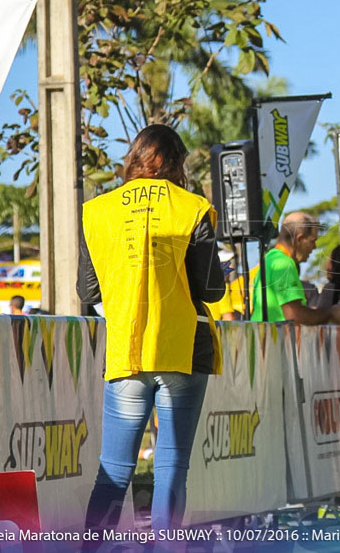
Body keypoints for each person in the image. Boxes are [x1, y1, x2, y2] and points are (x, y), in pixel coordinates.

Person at [77, 124, 225, 532]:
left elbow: (86, 290)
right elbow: (212, 290)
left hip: (127, 350)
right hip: (183, 350)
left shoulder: (98, 210)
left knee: (114, 471)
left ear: (134, 158)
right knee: (172, 467)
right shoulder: (191, 207)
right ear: (177, 163)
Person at [249, 212, 340, 326]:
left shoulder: (270, 258)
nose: (314, 247)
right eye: (312, 241)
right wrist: (332, 313)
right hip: (273, 340)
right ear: (299, 239)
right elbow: (294, 315)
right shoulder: (284, 264)